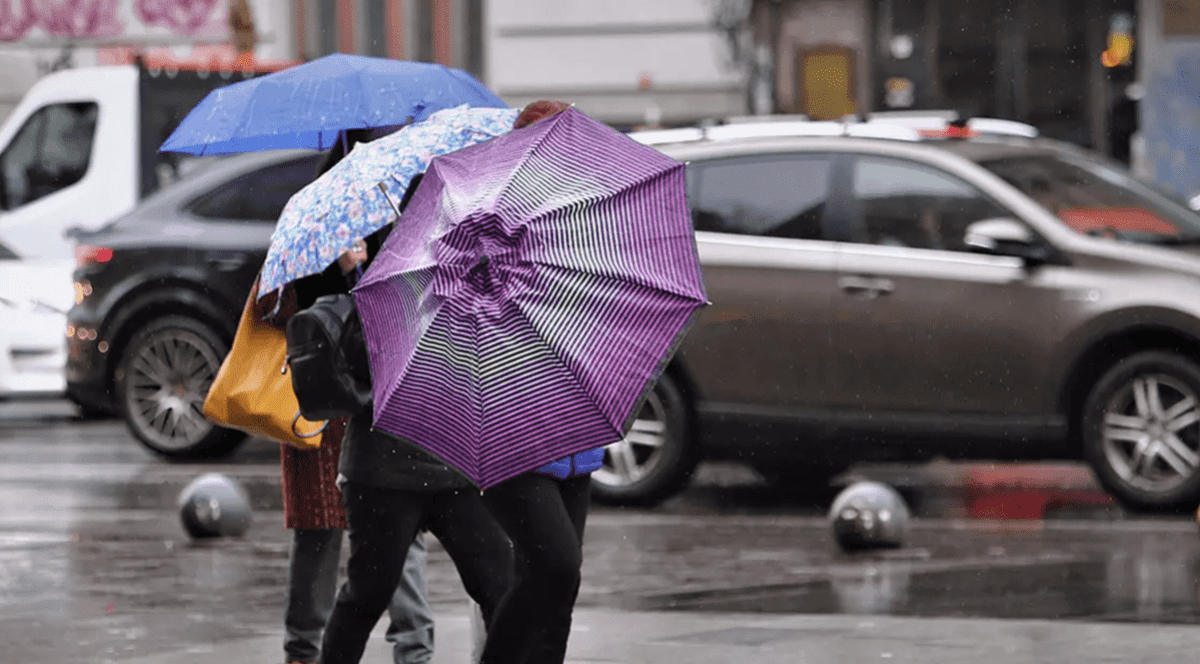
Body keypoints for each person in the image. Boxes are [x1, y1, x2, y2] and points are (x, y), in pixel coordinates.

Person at [315, 174, 514, 664]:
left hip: (452, 468)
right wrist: (357, 283)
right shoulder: (379, 277)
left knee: (503, 587)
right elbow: (362, 364)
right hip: (384, 471)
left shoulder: (475, 278)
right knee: (367, 593)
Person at [279, 128, 436, 664]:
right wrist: (342, 269)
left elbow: (409, 306)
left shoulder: (407, 209)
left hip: (385, 399)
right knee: (322, 531)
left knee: (397, 532)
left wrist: (370, 267)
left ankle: (413, 649)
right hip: (324, 396)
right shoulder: (313, 214)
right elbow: (297, 305)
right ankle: (305, 650)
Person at [476, 100, 606, 664]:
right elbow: (474, 323)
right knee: (555, 566)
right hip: (514, 428)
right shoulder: (485, 225)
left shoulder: (582, 221)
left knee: (559, 586)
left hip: (575, 431)